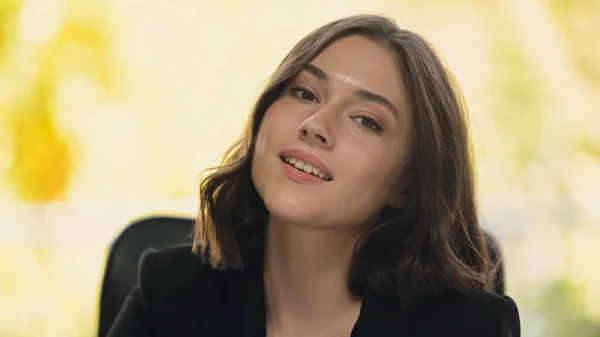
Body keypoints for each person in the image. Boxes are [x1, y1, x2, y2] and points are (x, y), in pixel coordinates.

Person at [107, 14, 520, 337]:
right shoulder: (171, 292)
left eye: (366, 120)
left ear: (408, 187)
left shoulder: (469, 328)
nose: (316, 124)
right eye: (304, 93)